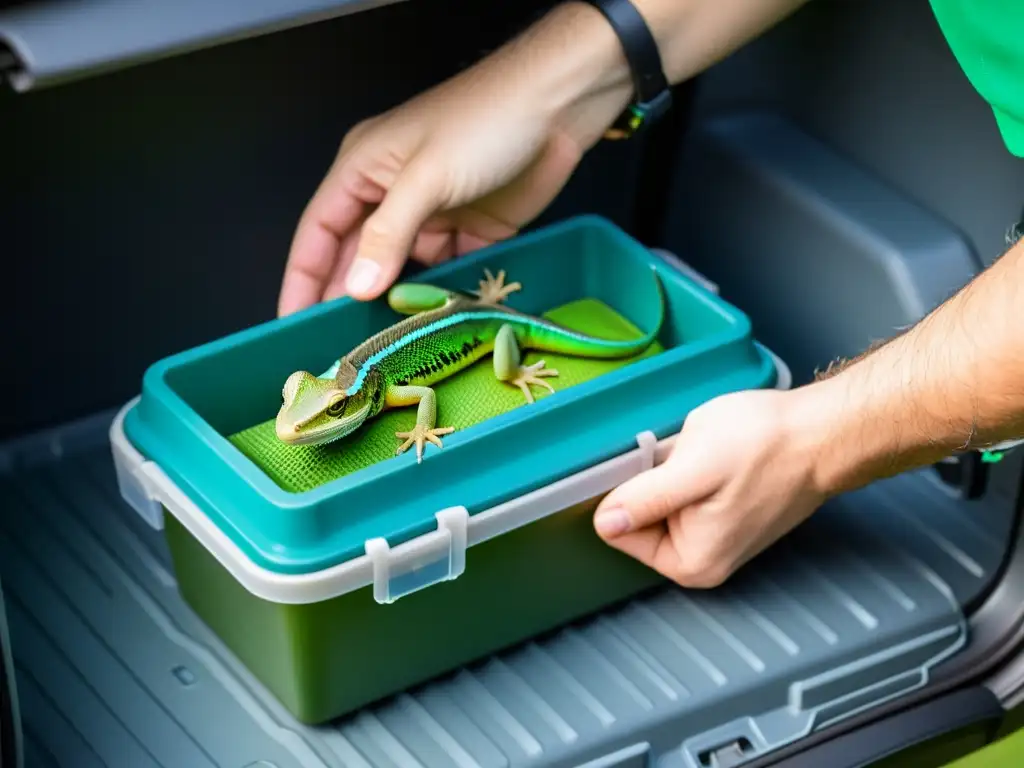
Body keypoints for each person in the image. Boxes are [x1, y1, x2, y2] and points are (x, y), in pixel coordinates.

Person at [277, 0, 1024, 589]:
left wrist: (820, 444)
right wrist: (562, 79)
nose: (306, 422)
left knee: (535, 357)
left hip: (484, 333)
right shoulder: (366, 385)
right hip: (460, 314)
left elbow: (428, 402)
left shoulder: (395, 394)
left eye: (326, 409)